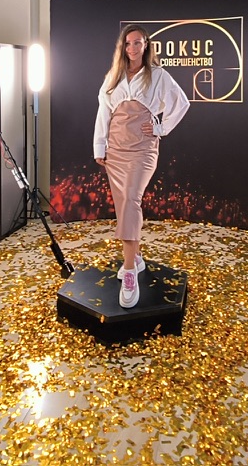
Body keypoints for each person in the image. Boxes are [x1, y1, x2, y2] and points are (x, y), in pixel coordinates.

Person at [93, 24, 190, 308]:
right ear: (122, 47)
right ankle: (135, 258)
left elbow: (181, 104)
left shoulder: (158, 75)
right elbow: (103, 112)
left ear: (146, 45)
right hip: (116, 148)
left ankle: (129, 273)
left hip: (143, 148)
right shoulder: (113, 76)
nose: (132, 48)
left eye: (137, 43)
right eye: (128, 43)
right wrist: (100, 146)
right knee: (123, 203)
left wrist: (160, 128)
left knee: (131, 199)